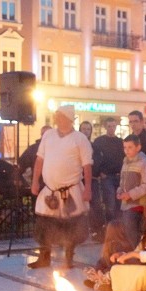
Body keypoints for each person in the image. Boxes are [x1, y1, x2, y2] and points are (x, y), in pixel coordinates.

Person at [29, 105, 92, 269]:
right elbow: (39, 160)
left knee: (71, 225)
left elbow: (87, 166)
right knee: (43, 223)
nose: (57, 119)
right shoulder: (48, 135)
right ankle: (44, 258)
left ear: (69, 119)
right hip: (50, 190)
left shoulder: (80, 139)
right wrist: (35, 181)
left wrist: (88, 188)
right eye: (56, 116)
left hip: (71, 190)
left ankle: (68, 259)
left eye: (60, 116)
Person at [117, 134, 146, 246]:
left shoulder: (144, 163)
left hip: (138, 205)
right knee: (127, 232)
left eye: (130, 147)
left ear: (138, 147)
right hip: (126, 204)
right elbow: (122, 181)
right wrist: (120, 190)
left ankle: (137, 255)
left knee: (133, 233)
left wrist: (130, 194)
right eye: (125, 147)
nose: (127, 150)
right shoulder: (125, 163)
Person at [84, 219, 133, 291]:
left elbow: (117, 266)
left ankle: (103, 283)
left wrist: (103, 272)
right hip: (106, 271)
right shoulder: (109, 245)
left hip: (116, 273)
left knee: (108, 275)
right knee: (87, 270)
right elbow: (102, 260)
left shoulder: (123, 246)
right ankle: (99, 281)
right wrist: (99, 270)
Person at [93, 118, 124, 224]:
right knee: (110, 202)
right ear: (105, 127)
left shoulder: (120, 142)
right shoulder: (99, 141)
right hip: (107, 176)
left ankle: (117, 227)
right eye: (109, 126)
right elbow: (95, 158)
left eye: (113, 126)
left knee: (119, 203)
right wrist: (100, 172)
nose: (111, 128)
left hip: (119, 175)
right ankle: (110, 225)